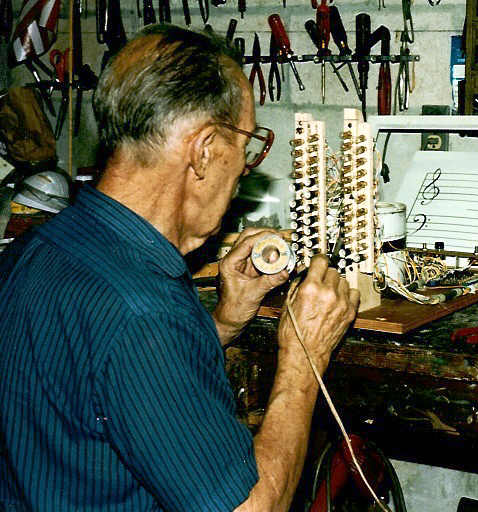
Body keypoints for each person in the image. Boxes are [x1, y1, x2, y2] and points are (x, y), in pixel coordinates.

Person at [0, 25, 359, 511]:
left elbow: (116, 385)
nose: (245, 168)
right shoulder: (144, 312)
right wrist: (303, 359)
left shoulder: (37, 250)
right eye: (246, 146)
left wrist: (225, 321)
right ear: (204, 150)